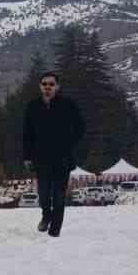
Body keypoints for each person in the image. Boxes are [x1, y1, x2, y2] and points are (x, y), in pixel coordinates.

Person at [21, 71, 85, 238]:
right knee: (43, 194)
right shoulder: (32, 106)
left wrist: (68, 143)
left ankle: (55, 230)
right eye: (44, 84)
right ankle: (46, 215)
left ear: (57, 86)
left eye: (51, 84)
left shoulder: (68, 105)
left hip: (63, 158)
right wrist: (27, 156)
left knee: (59, 195)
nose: (48, 87)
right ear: (40, 86)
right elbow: (27, 134)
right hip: (40, 158)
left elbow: (80, 128)